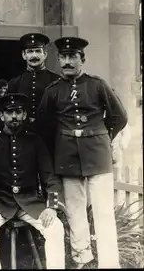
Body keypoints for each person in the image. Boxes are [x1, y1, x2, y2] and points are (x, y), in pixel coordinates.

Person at [38, 37, 128, 268]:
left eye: (72, 57)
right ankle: (82, 259)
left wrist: (103, 137)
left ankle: (109, 263)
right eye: (63, 57)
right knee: (75, 211)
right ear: (58, 60)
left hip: (98, 155)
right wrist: (57, 146)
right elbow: (44, 124)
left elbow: (119, 116)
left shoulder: (98, 85)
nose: (67, 62)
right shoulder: (53, 91)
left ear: (82, 59)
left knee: (103, 212)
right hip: (67, 157)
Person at [0, 92, 66, 269]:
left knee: (55, 227)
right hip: (0, 203)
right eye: (9, 112)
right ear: (2, 116)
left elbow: (50, 176)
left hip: (30, 203)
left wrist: (51, 207)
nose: (14, 116)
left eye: (18, 112)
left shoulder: (35, 141)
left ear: (24, 115)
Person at [7, 33, 60, 152]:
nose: (34, 55)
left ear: (45, 54)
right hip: (23, 137)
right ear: (24, 55)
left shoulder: (56, 80)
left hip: (50, 138)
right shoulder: (15, 82)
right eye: (30, 52)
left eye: (38, 51)